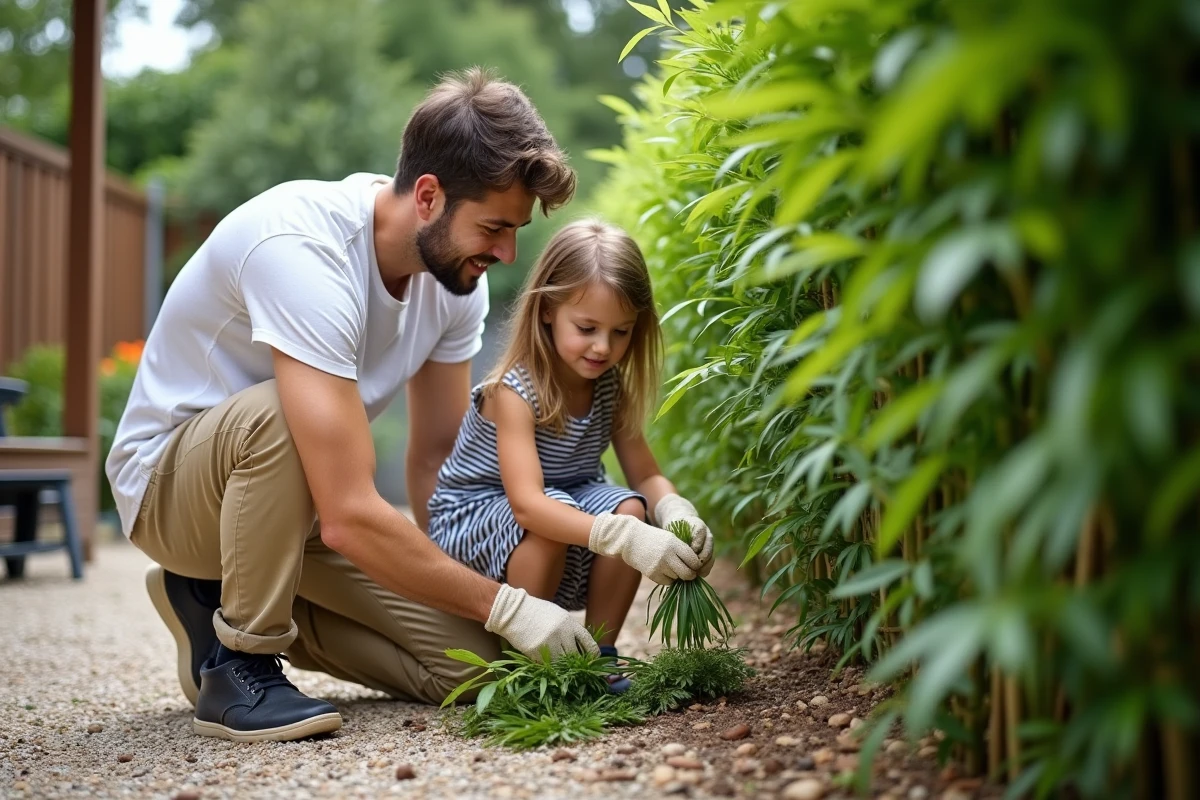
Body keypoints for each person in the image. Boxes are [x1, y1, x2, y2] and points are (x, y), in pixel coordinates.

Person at [104, 68, 598, 744]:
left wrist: (488, 604)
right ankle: (239, 663)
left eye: (514, 230)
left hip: (293, 511)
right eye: (493, 227)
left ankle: (206, 601)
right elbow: (345, 514)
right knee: (280, 415)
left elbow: (435, 457)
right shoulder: (302, 248)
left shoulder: (454, 283)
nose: (507, 253)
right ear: (428, 196)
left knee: (483, 668)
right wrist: (511, 604)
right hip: (175, 491)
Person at [427, 219, 715, 689]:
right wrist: (623, 538)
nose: (604, 347)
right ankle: (528, 662)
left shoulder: (609, 387)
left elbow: (645, 475)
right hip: (476, 515)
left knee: (630, 507)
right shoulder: (512, 392)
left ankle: (596, 657)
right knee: (565, 517)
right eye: (587, 328)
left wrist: (675, 510)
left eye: (621, 332)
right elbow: (527, 503)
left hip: (561, 501)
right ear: (546, 310)